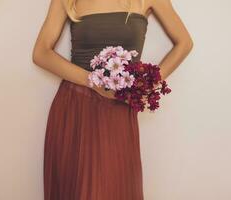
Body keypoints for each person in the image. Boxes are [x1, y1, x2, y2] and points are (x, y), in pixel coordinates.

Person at [32, 0, 193, 199]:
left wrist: (147, 84)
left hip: (119, 108)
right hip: (76, 107)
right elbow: (41, 53)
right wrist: (94, 82)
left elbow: (184, 42)